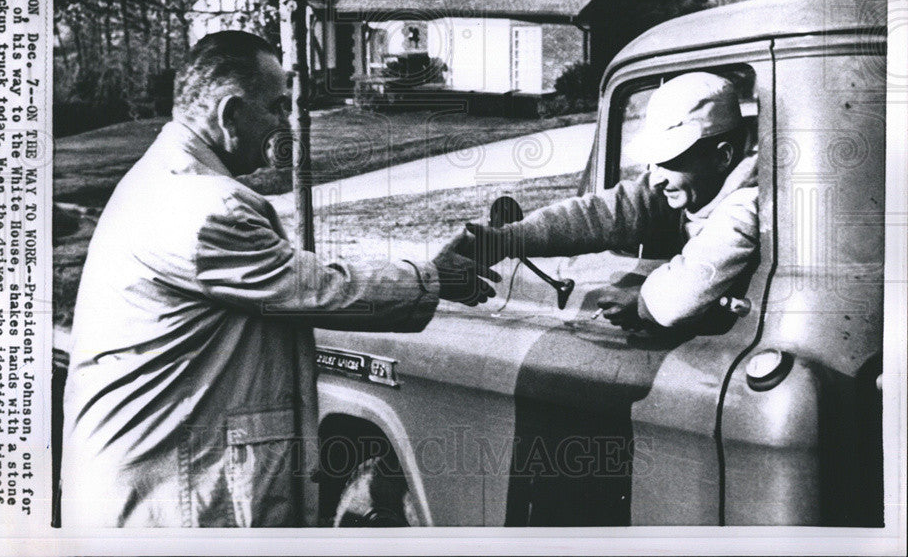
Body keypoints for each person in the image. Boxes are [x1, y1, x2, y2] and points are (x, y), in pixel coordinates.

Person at [60, 31, 496, 528]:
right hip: (172, 499)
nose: (286, 124)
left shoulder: (158, 181)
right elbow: (315, 290)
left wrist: (427, 274)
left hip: (145, 483)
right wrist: (434, 279)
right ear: (229, 115)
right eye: (276, 107)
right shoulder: (208, 208)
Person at [464, 71, 758, 330]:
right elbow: (601, 213)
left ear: (723, 157)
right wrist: (511, 238)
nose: (655, 178)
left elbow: (678, 301)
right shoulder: (695, 186)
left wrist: (641, 300)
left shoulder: (743, 205)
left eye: (668, 161)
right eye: (652, 164)